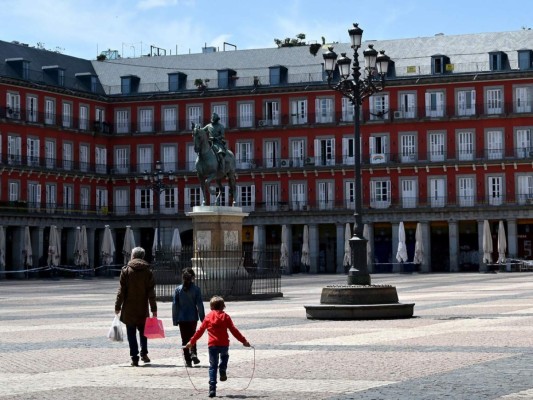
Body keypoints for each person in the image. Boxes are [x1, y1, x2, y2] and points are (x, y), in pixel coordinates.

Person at [186, 296, 250, 398]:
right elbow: (234, 330)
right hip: (224, 344)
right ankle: (223, 368)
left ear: (211, 306)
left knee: (212, 366)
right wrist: (244, 341)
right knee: (225, 357)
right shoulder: (226, 317)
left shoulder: (208, 317)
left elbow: (199, 331)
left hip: (212, 345)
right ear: (223, 306)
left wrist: (191, 342)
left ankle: (212, 389)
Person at [114, 246, 157, 367]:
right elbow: (151, 293)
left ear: (133, 256)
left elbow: (121, 291)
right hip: (143, 308)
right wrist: (154, 309)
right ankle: (144, 353)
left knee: (131, 333)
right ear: (143, 257)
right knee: (144, 332)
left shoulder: (126, 270)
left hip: (129, 309)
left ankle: (134, 357)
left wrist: (117, 306)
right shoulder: (148, 271)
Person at [172, 267, 205, 367]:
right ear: (193, 277)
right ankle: (193, 353)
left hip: (182, 318)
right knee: (193, 337)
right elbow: (200, 305)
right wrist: (203, 318)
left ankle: (187, 360)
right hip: (192, 317)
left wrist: (174, 319)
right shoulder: (196, 290)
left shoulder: (178, 290)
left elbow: (175, 305)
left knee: (184, 339)